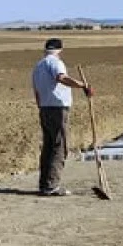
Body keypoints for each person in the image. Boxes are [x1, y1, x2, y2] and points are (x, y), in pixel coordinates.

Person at [32, 37, 92, 196]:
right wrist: (82, 85)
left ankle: (44, 184)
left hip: (44, 108)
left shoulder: (38, 66)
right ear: (60, 50)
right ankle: (52, 186)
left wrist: (41, 106)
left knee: (49, 147)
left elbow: (36, 91)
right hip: (57, 109)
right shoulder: (55, 63)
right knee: (60, 147)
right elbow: (61, 78)